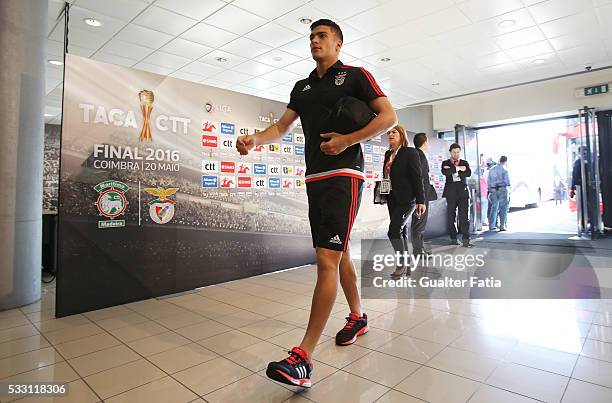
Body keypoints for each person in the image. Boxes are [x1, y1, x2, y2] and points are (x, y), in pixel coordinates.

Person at [236, 19, 396, 388]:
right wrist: (255, 140)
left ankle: (303, 357)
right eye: (312, 37)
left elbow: (389, 118)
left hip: (344, 175)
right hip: (314, 178)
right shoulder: (302, 87)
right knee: (337, 256)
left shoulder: (356, 76)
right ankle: (357, 315)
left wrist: (347, 140)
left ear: (338, 44)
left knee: (326, 258)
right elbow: (281, 127)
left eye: (322, 36)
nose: (315, 41)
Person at [383, 126, 426, 278]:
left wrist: (421, 200)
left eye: (394, 132)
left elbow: (417, 177)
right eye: (389, 132)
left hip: (407, 199)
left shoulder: (410, 152)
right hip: (391, 198)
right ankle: (407, 266)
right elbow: (387, 177)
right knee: (401, 231)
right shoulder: (388, 154)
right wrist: (383, 193)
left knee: (393, 230)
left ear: (402, 135)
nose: (390, 134)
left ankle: (401, 264)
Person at [441, 143, 473, 247]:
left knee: (464, 216)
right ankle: (453, 238)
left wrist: (454, 169)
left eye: (458, 152)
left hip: (463, 192)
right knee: (451, 216)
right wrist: (459, 168)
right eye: (454, 152)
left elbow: (468, 173)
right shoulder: (445, 163)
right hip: (450, 192)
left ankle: (466, 240)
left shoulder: (464, 162)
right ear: (450, 152)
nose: (456, 154)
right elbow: (445, 172)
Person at [411, 132, 434, 257]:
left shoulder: (415, 154)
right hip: (421, 197)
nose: (428, 144)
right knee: (419, 224)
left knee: (417, 223)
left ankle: (418, 250)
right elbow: (421, 179)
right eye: (428, 141)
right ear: (424, 142)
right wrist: (422, 198)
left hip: (418, 196)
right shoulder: (420, 156)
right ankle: (418, 251)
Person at [487, 156, 511, 231]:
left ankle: (492, 225)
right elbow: (508, 182)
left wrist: (491, 188)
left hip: (493, 190)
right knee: (503, 208)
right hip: (502, 189)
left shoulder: (491, 169)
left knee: (494, 208)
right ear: (505, 161)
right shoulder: (505, 169)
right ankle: (502, 226)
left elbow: (488, 181)